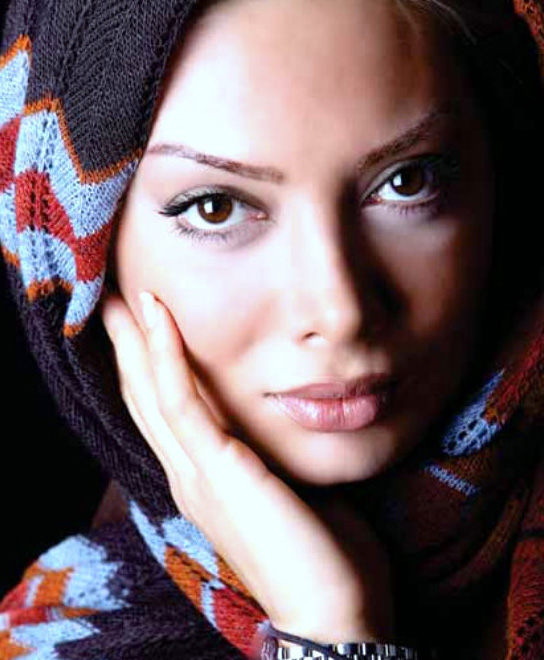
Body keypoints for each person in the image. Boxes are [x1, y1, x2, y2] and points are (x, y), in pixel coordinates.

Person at [0, 0, 542, 658]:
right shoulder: (61, 641)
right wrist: (332, 629)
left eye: (407, 181)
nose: (339, 311)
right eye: (216, 207)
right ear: (82, 256)